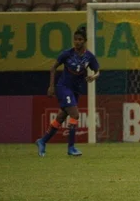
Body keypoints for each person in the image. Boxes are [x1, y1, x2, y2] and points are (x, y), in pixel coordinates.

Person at [35, 26, 100, 157]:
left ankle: (42, 141)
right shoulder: (67, 53)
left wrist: (94, 76)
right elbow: (53, 68)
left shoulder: (89, 57)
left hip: (76, 90)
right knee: (75, 115)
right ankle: (71, 147)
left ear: (85, 41)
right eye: (75, 39)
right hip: (63, 87)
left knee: (60, 117)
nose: (77, 42)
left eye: (80, 39)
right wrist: (51, 86)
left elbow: (98, 70)